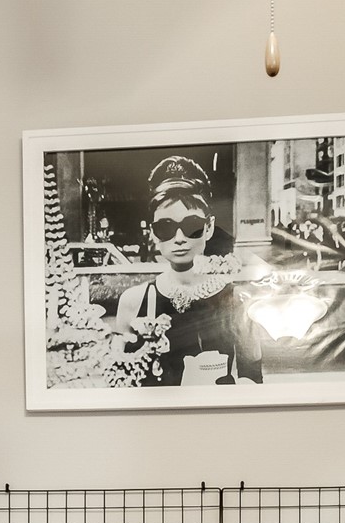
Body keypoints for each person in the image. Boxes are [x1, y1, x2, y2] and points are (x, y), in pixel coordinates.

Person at [112, 157, 262, 387]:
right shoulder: (134, 300)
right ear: (153, 233)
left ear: (209, 227)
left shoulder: (236, 300)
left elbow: (251, 377)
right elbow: (120, 380)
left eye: (192, 227)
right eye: (166, 228)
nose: (179, 239)